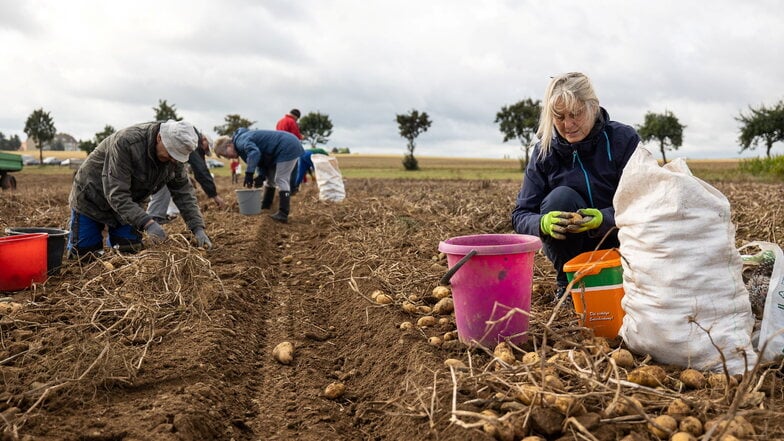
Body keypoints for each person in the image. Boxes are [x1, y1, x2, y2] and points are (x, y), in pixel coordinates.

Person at [511, 72, 639, 302]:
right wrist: (542, 223)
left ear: (593, 107)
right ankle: (568, 286)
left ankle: (627, 278)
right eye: (558, 116)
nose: (567, 125)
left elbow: (644, 201)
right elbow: (521, 214)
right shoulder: (544, 152)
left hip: (620, 242)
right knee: (559, 199)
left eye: (575, 114)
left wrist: (604, 219)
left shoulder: (623, 139)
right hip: (571, 249)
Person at [67, 120, 213, 259]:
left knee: (129, 251)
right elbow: (116, 194)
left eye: (177, 157)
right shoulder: (126, 143)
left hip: (131, 203)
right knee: (84, 256)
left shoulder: (174, 159)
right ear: (159, 138)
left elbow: (183, 193)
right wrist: (148, 223)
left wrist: (197, 228)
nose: (174, 160)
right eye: (171, 154)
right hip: (92, 198)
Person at [214, 129, 305, 223]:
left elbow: (255, 153)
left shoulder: (241, 141)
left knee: (281, 179)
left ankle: (283, 213)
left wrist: (249, 173)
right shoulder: (240, 144)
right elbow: (261, 160)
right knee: (270, 180)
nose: (228, 158)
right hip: (279, 149)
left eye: (225, 155)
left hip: (287, 146)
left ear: (229, 146)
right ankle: (266, 205)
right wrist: (261, 176)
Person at [147, 129, 226, 223]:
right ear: (204, 140)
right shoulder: (192, 141)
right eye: (206, 148)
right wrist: (214, 195)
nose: (205, 151)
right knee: (164, 185)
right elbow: (200, 169)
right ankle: (155, 219)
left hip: (161, 164)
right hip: (158, 163)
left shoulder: (191, 138)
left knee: (171, 184)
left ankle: (166, 214)